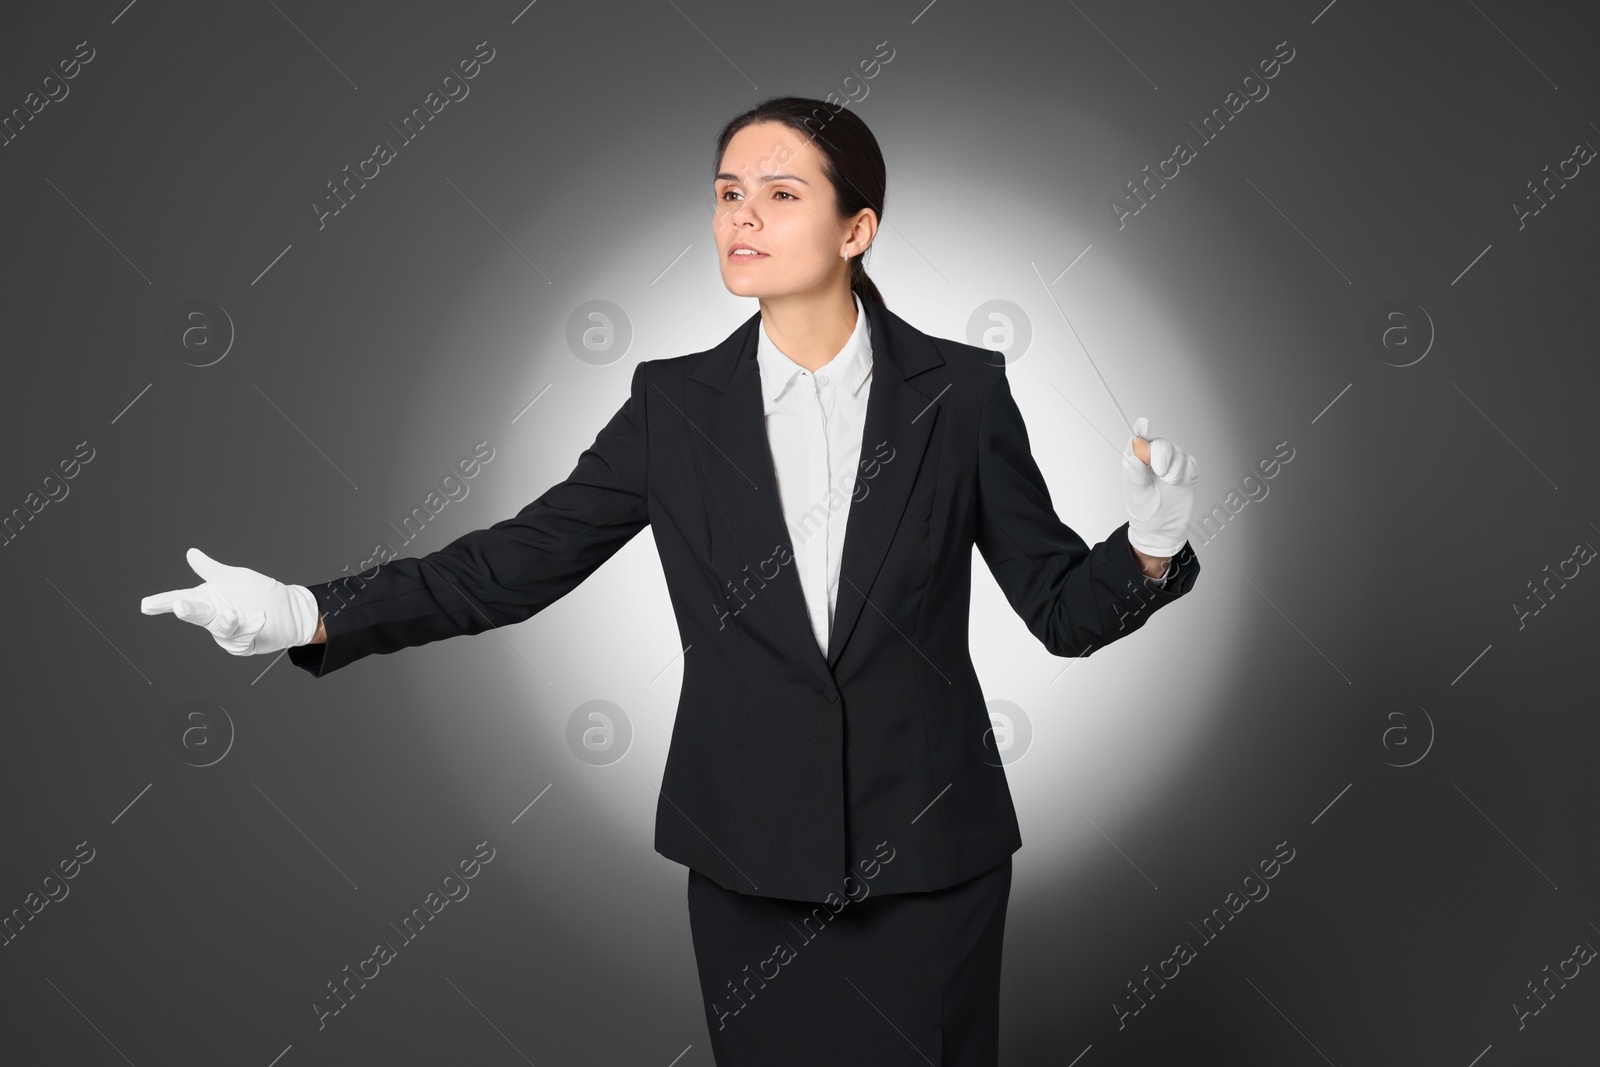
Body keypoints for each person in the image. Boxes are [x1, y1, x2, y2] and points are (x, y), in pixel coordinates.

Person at [140, 96, 1201, 1065]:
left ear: (855, 229)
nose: (742, 216)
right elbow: (512, 564)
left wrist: (1146, 544)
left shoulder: (961, 395)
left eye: (780, 194)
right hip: (747, 859)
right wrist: (309, 610)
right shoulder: (674, 406)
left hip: (931, 857)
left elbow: (1059, 609)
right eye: (727, 193)